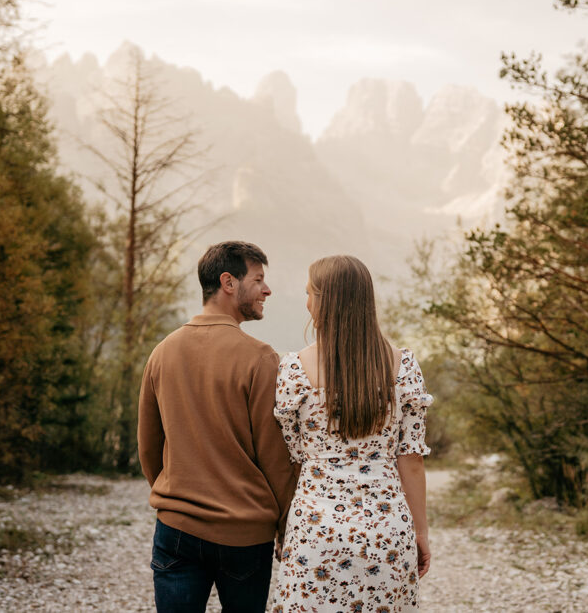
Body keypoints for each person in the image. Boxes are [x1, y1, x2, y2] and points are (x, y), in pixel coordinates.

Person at [137, 241, 297, 613]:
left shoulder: (163, 351)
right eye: (258, 280)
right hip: (244, 535)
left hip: (176, 529)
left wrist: (178, 496)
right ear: (228, 282)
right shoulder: (260, 358)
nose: (267, 290)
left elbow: (148, 445)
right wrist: (286, 526)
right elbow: (274, 457)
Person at [272, 255, 433, 612]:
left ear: (326, 300)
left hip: (315, 531)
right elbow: (412, 460)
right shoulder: (403, 366)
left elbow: (292, 458)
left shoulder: (294, 369)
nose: (307, 302)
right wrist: (420, 534)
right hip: (387, 530)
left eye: (310, 293)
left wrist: (284, 528)